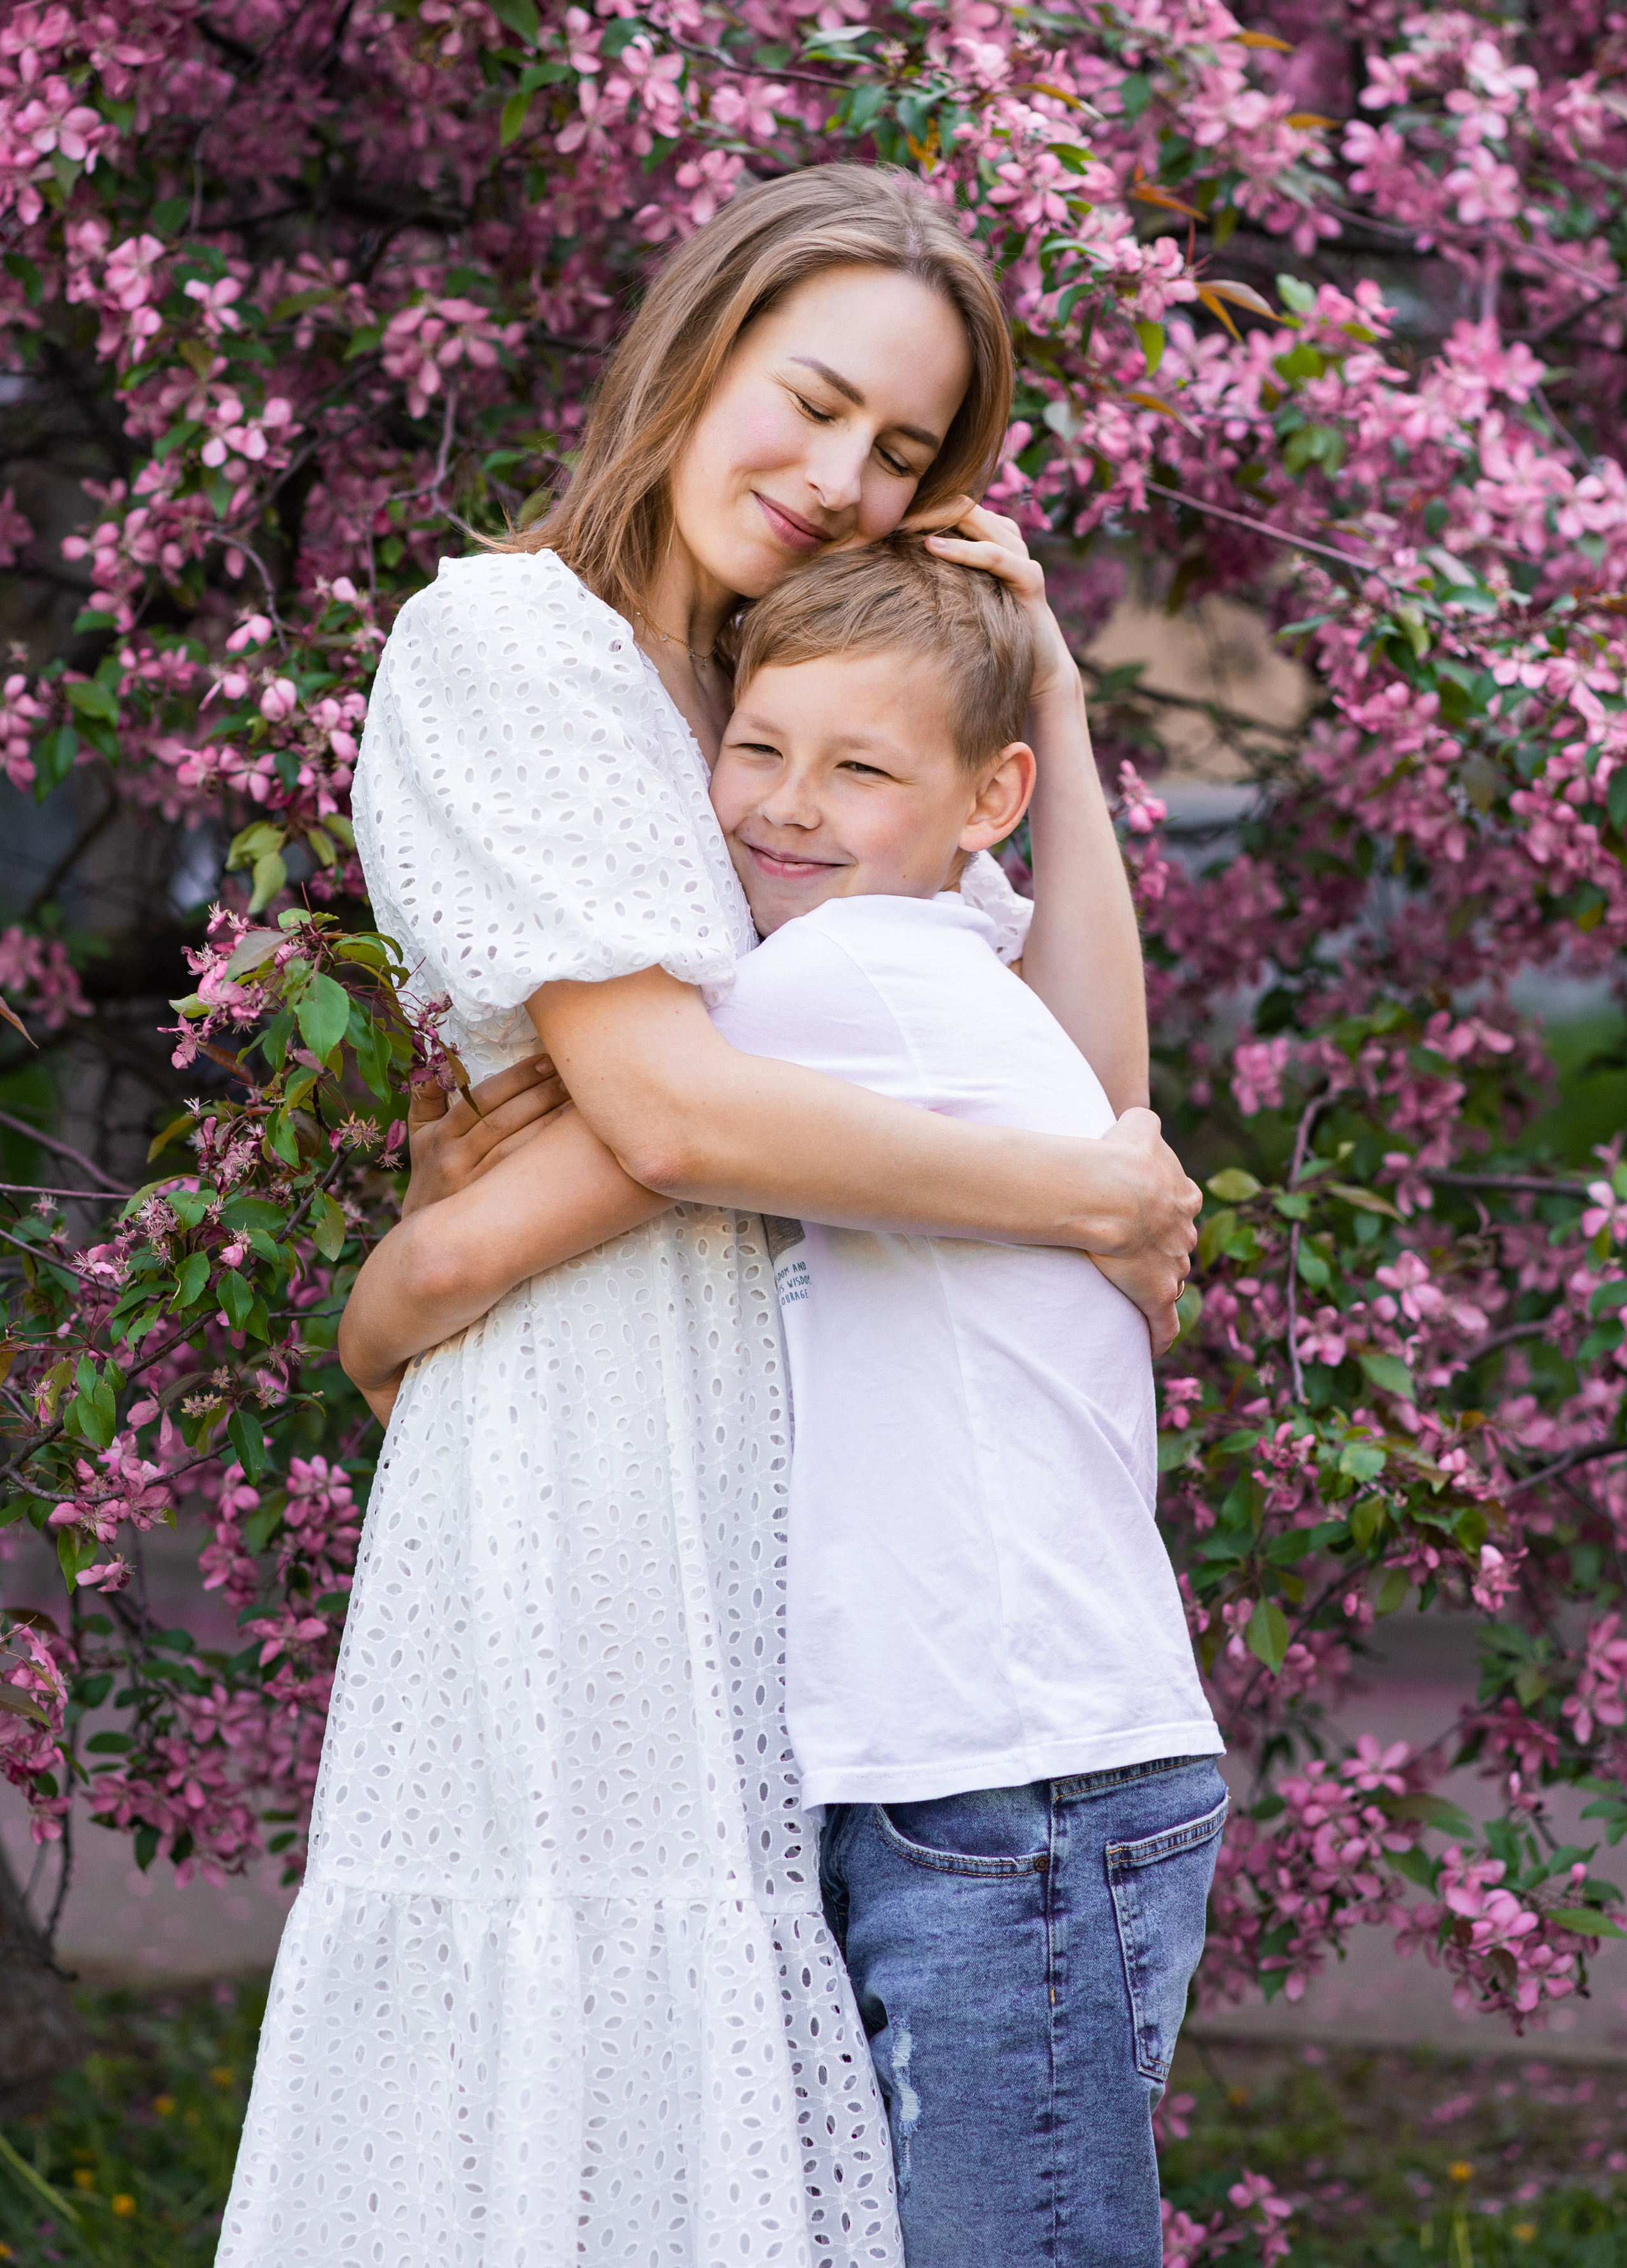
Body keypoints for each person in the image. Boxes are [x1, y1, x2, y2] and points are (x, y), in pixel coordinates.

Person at [221, 163, 1201, 2268]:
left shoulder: (801, 712)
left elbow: (1060, 1065)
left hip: (783, 1501)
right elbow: (675, 1111)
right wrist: (1076, 1204)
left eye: (906, 453)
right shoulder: (513, 644)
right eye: (815, 398)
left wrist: (1052, 707)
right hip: (583, 1460)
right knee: (568, 2046)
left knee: (746, 2104)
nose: (845, 476)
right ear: (700, 349)